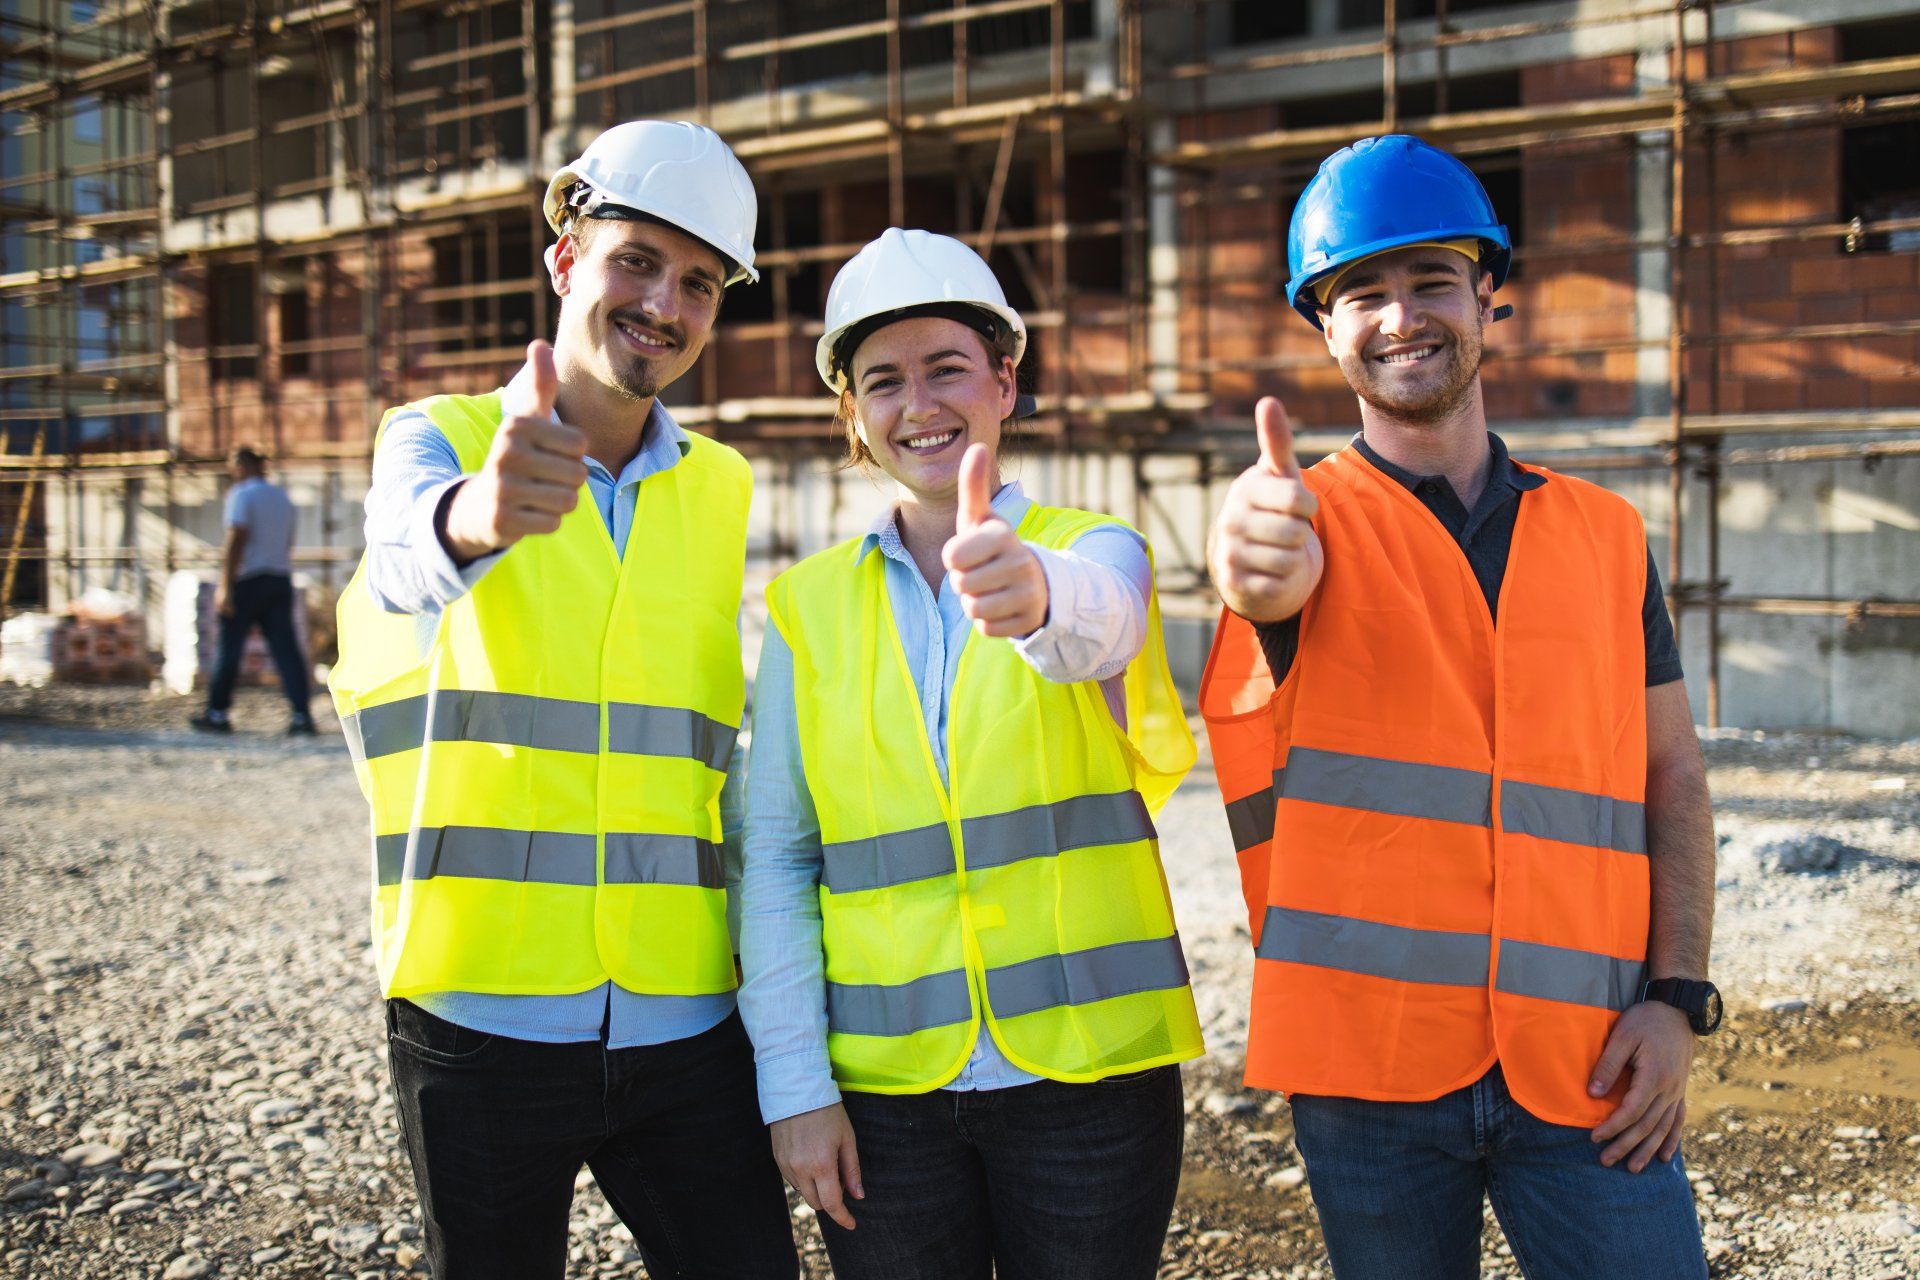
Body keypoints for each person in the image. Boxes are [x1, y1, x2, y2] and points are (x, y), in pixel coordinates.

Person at [1200, 134, 1720, 1280]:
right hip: (1368, 1079)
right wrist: (1248, 559)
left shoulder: (1605, 534)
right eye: (1361, 293)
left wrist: (1679, 998)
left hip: (1591, 1058)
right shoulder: (1302, 525)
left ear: (1490, 295)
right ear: (1324, 329)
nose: (1400, 317)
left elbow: (1673, 775)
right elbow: (1256, 577)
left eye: (1431, 278)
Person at [327, 120, 796, 1280]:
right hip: (482, 1014)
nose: (664, 304)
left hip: (684, 1012)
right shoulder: (440, 436)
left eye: (698, 283)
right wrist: (476, 518)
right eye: (635, 260)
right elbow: (399, 555)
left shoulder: (722, 483)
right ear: (564, 260)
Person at [738, 227, 1204, 1280]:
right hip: (887, 1098)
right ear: (852, 415)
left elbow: (1106, 624)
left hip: (1092, 1082)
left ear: (1005, 377)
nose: (920, 404)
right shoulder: (806, 608)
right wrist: (796, 1087)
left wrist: (1035, 597)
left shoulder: (1092, 546)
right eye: (883, 381)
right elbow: (774, 854)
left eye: (947, 367)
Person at [190, 445, 314, 734]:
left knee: (229, 648)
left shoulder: (241, 495)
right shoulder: (282, 498)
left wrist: (225, 585)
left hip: (248, 580)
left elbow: (236, 537)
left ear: (243, 465)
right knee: (287, 651)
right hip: (279, 578)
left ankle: (217, 714)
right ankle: (301, 716)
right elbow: (288, 542)